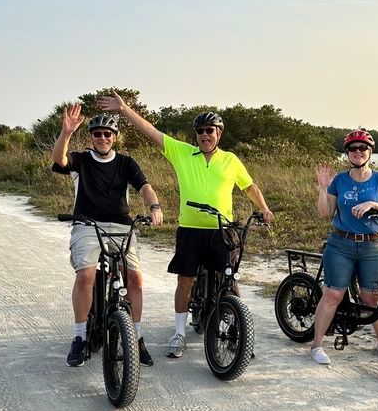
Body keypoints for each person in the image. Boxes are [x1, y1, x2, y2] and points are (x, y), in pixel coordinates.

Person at [98, 94, 274, 358]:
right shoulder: (183, 153)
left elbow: (249, 186)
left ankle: (238, 335)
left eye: (209, 131)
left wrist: (263, 208)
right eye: (200, 131)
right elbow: (152, 132)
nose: (204, 135)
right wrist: (124, 109)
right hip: (191, 231)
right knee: (186, 280)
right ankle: (179, 333)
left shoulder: (231, 160)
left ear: (219, 134)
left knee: (229, 279)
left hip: (221, 229)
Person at [52, 104, 163, 368]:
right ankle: (79, 338)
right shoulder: (81, 160)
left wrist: (155, 207)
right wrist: (66, 133)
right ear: (91, 137)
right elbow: (59, 161)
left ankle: (136, 337)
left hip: (122, 226)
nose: (102, 138)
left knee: (135, 278)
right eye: (97, 134)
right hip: (87, 225)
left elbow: (144, 187)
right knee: (86, 275)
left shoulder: (126, 162)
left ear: (115, 137)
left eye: (107, 134)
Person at [310, 129, 378, 366]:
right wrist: (322, 188)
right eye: (353, 149)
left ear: (370, 152)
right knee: (333, 294)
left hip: (373, 245)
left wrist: (373, 204)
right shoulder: (340, 179)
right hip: (341, 243)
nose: (358, 152)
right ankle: (317, 345)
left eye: (363, 148)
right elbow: (326, 213)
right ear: (348, 153)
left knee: (373, 298)